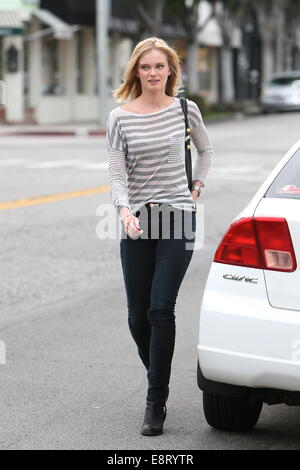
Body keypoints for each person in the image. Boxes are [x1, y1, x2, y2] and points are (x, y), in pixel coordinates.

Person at [106, 37, 212, 436]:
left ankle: (155, 401)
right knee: (137, 317)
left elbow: (206, 151)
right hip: (138, 220)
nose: (152, 73)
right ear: (135, 71)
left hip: (178, 218)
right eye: (145, 67)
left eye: (159, 67)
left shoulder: (185, 109)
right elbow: (117, 172)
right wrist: (123, 209)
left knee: (159, 308)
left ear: (171, 71)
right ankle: (159, 368)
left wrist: (196, 186)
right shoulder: (119, 118)